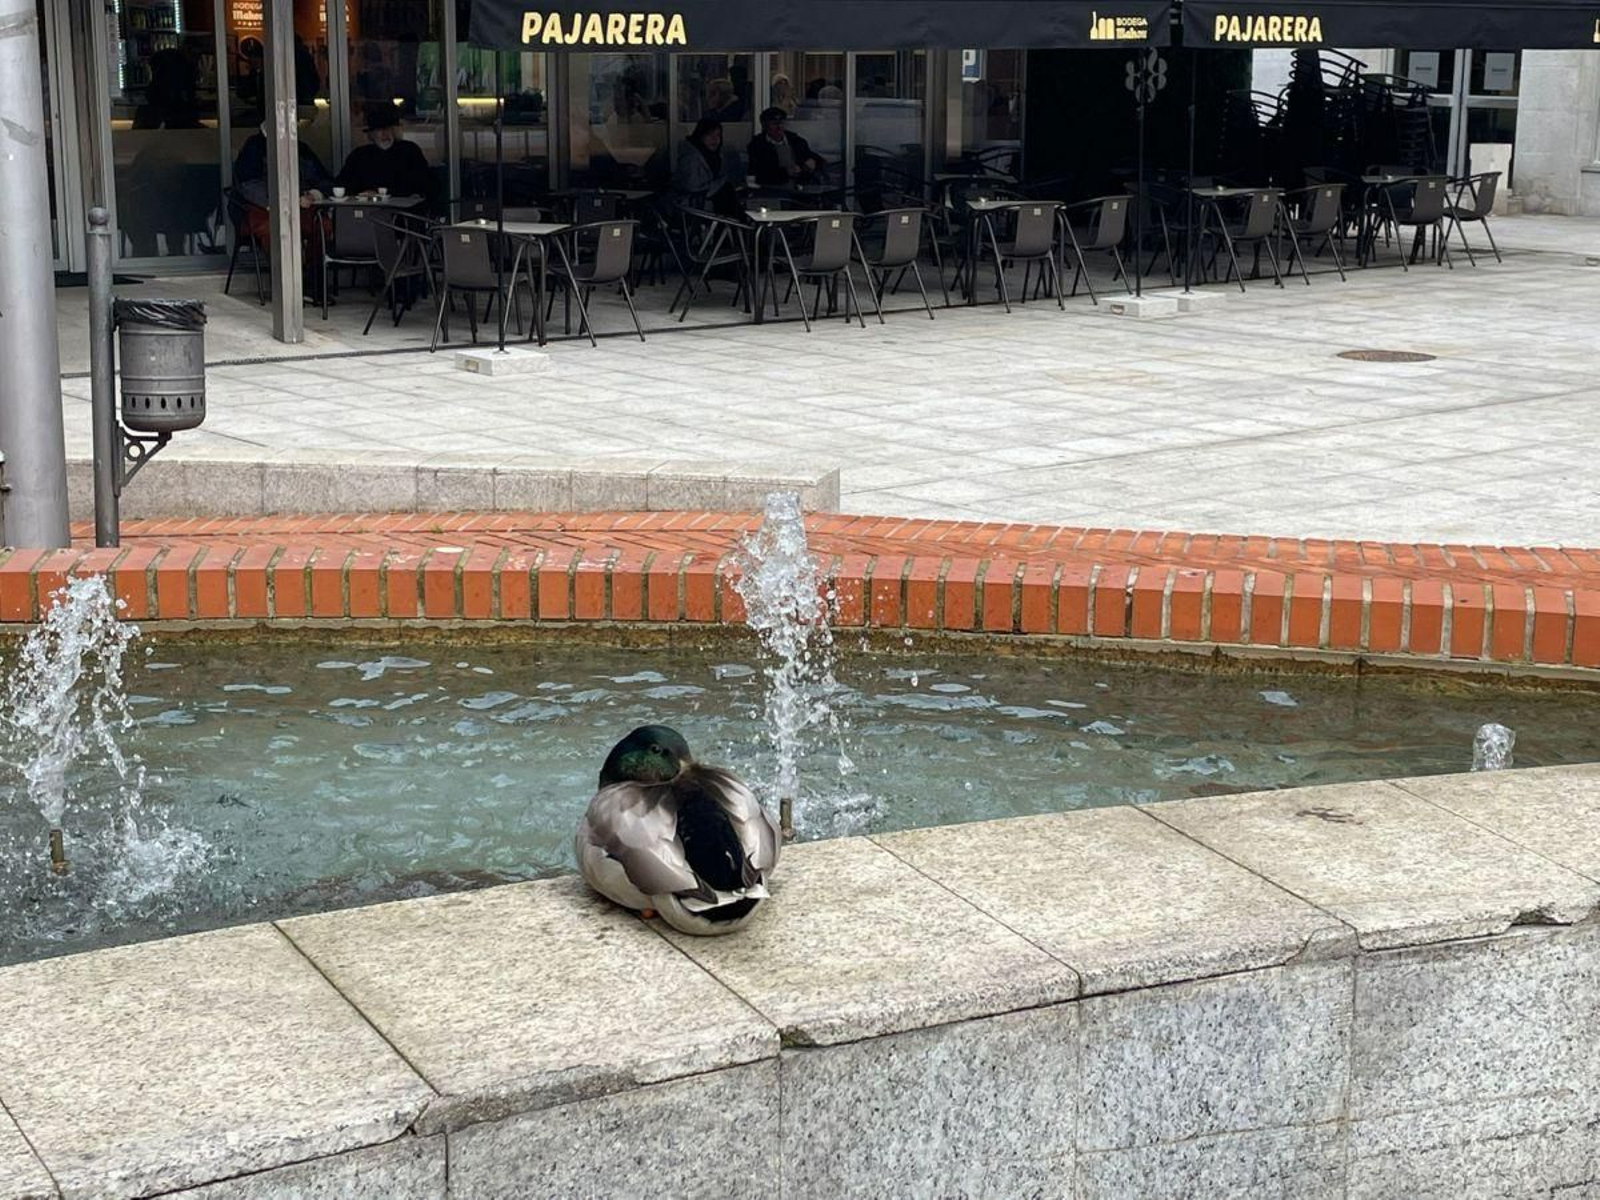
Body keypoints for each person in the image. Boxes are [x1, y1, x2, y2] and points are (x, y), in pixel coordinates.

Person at [231, 115, 335, 301]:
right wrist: (283, 201)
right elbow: (247, 185)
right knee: (275, 230)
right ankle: (286, 288)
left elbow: (324, 179)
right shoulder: (253, 147)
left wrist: (313, 194)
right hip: (262, 209)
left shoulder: (301, 148)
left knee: (323, 226)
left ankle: (313, 283)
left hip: (301, 207)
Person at [336, 105, 438, 212]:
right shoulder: (359, 156)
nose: (385, 134)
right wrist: (363, 194)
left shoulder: (409, 151)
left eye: (388, 128)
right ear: (371, 134)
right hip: (367, 214)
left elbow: (424, 183)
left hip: (404, 215)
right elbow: (343, 184)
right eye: (379, 130)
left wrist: (382, 194)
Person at [673, 117, 741, 217]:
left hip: (705, 205)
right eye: (709, 135)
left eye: (718, 135)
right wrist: (721, 183)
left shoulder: (716, 156)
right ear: (700, 136)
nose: (715, 139)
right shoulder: (691, 158)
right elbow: (691, 187)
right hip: (691, 208)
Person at [747, 107, 823, 188]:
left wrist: (813, 162)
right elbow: (759, 173)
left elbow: (816, 158)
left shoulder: (796, 140)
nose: (779, 127)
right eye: (775, 123)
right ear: (765, 126)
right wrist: (786, 172)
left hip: (800, 188)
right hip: (771, 190)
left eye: (782, 123)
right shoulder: (757, 145)